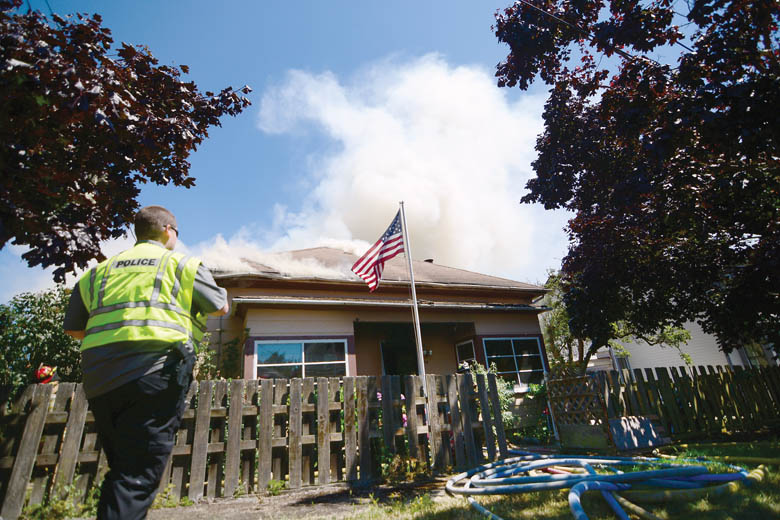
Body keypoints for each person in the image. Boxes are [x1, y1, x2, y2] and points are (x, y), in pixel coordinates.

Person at [63, 205, 228, 520]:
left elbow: (74, 329)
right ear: (168, 231)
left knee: (124, 470)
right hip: (155, 374)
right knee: (137, 475)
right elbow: (220, 307)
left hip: (100, 380)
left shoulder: (98, 273)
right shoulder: (182, 265)